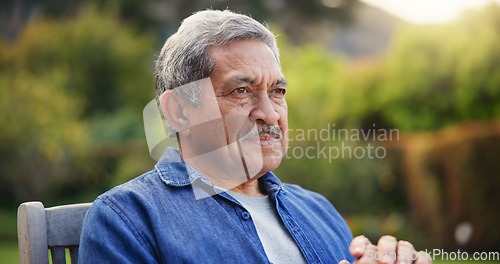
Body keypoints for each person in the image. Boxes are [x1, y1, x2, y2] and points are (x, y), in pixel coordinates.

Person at [79, 9, 431, 264]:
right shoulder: (127, 219)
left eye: (277, 91)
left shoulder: (317, 209)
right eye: (241, 91)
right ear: (179, 111)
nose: (270, 112)